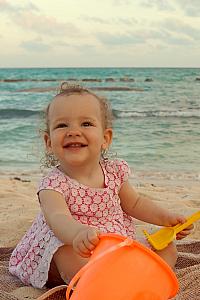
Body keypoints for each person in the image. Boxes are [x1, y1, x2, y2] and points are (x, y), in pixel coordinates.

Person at [9, 82, 193, 289]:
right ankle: (96, 283)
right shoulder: (53, 184)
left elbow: (135, 203)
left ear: (106, 138)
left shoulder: (114, 172)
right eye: (62, 125)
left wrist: (165, 218)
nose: (73, 131)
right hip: (75, 242)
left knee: (168, 248)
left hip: (113, 240)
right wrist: (77, 233)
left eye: (86, 124)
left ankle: (143, 279)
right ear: (49, 142)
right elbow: (57, 219)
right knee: (68, 254)